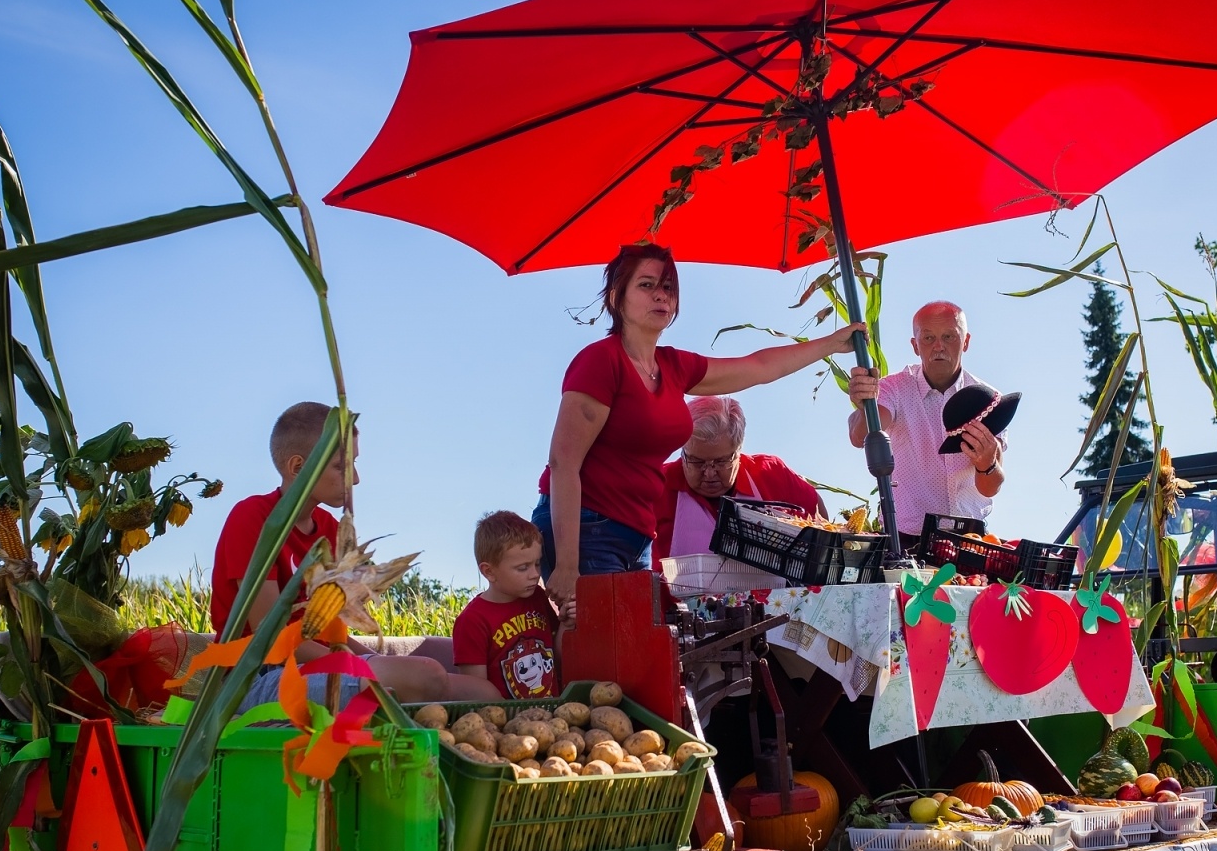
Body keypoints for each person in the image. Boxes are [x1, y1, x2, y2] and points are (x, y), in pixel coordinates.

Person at [534, 243, 865, 607]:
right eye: (646, 285)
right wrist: (566, 564)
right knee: (593, 639)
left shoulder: (673, 366)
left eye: (669, 287)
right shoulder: (601, 361)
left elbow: (758, 367)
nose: (661, 295)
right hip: (588, 527)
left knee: (633, 649)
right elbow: (563, 462)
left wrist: (832, 343)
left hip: (637, 535)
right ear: (617, 296)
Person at [214, 401, 501, 708]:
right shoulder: (254, 519)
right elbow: (269, 636)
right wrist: (357, 663)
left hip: (320, 666)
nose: (355, 478)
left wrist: (366, 658)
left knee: (485, 693)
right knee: (425, 675)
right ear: (298, 467)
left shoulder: (330, 530)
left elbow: (331, 632)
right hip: (259, 678)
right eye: (342, 466)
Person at [845, 301, 1010, 551]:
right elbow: (861, 436)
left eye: (948, 336)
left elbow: (991, 486)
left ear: (965, 341)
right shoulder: (894, 389)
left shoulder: (989, 402)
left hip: (970, 542)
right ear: (915, 345)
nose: (939, 346)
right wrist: (862, 402)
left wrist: (987, 463)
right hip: (906, 540)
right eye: (929, 338)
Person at [652, 396, 826, 562]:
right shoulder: (656, 486)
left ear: (738, 452)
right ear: (683, 452)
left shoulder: (770, 473)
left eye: (721, 462)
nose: (710, 473)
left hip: (772, 593)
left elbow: (817, 512)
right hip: (679, 593)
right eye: (697, 462)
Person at [453, 511, 569, 699]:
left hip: (551, 715)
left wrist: (566, 623)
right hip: (505, 723)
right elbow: (474, 693)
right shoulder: (472, 621)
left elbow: (556, 656)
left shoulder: (537, 598)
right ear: (489, 571)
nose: (534, 574)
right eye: (523, 568)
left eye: (538, 564)